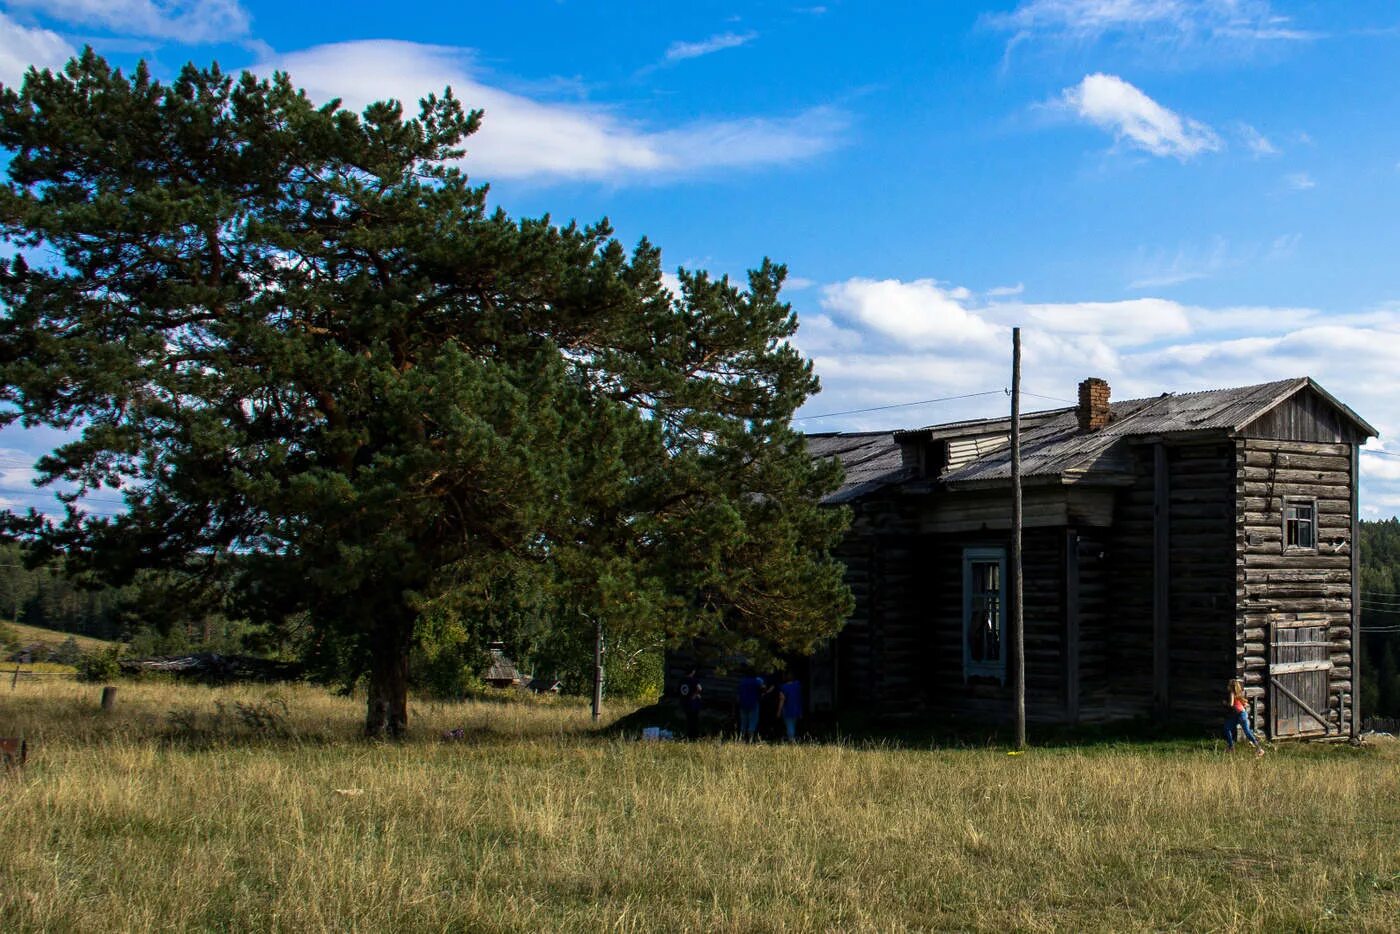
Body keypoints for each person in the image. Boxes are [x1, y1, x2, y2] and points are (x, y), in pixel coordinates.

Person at [1224, 678, 1264, 757]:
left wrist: (1225, 703)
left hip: (1240, 715)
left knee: (1244, 731)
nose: (1227, 686)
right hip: (1240, 714)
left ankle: (1259, 749)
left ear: (1231, 686)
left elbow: (1231, 704)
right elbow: (1244, 704)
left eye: (1228, 684)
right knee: (1229, 728)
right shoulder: (1238, 693)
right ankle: (1231, 747)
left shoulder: (1232, 693)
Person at [736, 673, 765, 741]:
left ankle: (742, 738)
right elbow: (763, 688)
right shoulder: (757, 681)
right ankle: (750, 740)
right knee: (753, 722)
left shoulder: (742, 681)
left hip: (743, 704)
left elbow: (738, 693)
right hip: (753, 703)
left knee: (743, 722)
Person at [777, 672, 803, 742]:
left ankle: (791, 741)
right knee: (793, 725)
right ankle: (792, 739)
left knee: (789, 726)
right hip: (797, 709)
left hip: (787, 710)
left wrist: (779, 711)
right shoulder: (797, 685)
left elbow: (782, 700)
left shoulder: (783, 687)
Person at [678, 667, 703, 740]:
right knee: (695, 720)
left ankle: (688, 736)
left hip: (685, 703)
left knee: (688, 720)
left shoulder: (682, 680)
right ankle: (694, 737)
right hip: (693, 704)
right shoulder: (693, 680)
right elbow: (699, 688)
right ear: (692, 672)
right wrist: (695, 695)